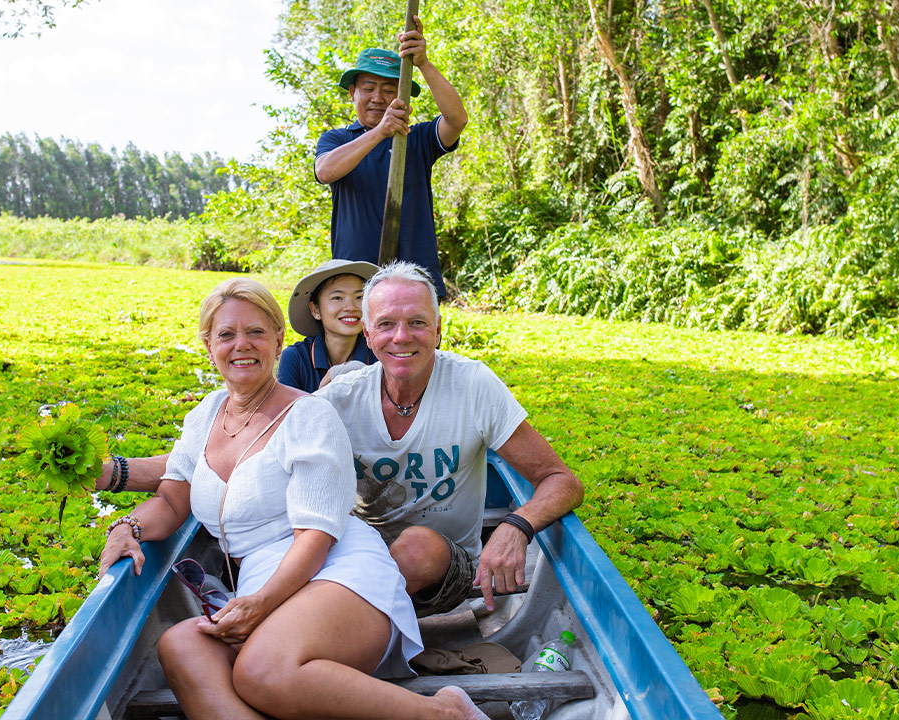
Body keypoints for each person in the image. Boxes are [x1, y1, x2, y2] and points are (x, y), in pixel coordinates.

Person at [97, 278, 489, 720]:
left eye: (257, 332)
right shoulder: (203, 416)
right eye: (226, 334)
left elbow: (315, 538)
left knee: (261, 671)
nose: (241, 345)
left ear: (280, 340)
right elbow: (170, 503)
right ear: (208, 345)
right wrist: (127, 529)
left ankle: (443, 713)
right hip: (261, 590)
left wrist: (259, 605)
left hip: (337, 575)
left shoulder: (308, 415)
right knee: (181, 645)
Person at [315, 262, 585, 616]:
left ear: (438, 330)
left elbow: (561, 481)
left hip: (444, 569)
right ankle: (343, 620)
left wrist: (516, 525)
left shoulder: (472, 385)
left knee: (416, 547)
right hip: (358, 558)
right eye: (386, 324)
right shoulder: (340, 398)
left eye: (417, 322)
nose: (401, 337)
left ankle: (336, 623)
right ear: (367, 334)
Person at [314, 17, 467, 299]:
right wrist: (380, 132)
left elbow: (457, 120)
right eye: (368, 88)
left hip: (414, 279)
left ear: (403, 97)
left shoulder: (417, 139)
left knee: (412, 343)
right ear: (352, 93)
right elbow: (325, 171)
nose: (378, 97)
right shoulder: (337, 140)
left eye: (388, 90)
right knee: (358, 343)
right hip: (354, 281)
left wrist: (423, 63)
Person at [278, 258, 380, 392]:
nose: (350, 307)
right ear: (315, 310)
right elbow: (289, 412)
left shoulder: (379, 354)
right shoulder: (296, 358)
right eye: (337, 298)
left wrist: (354, 370)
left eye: (359, 297)